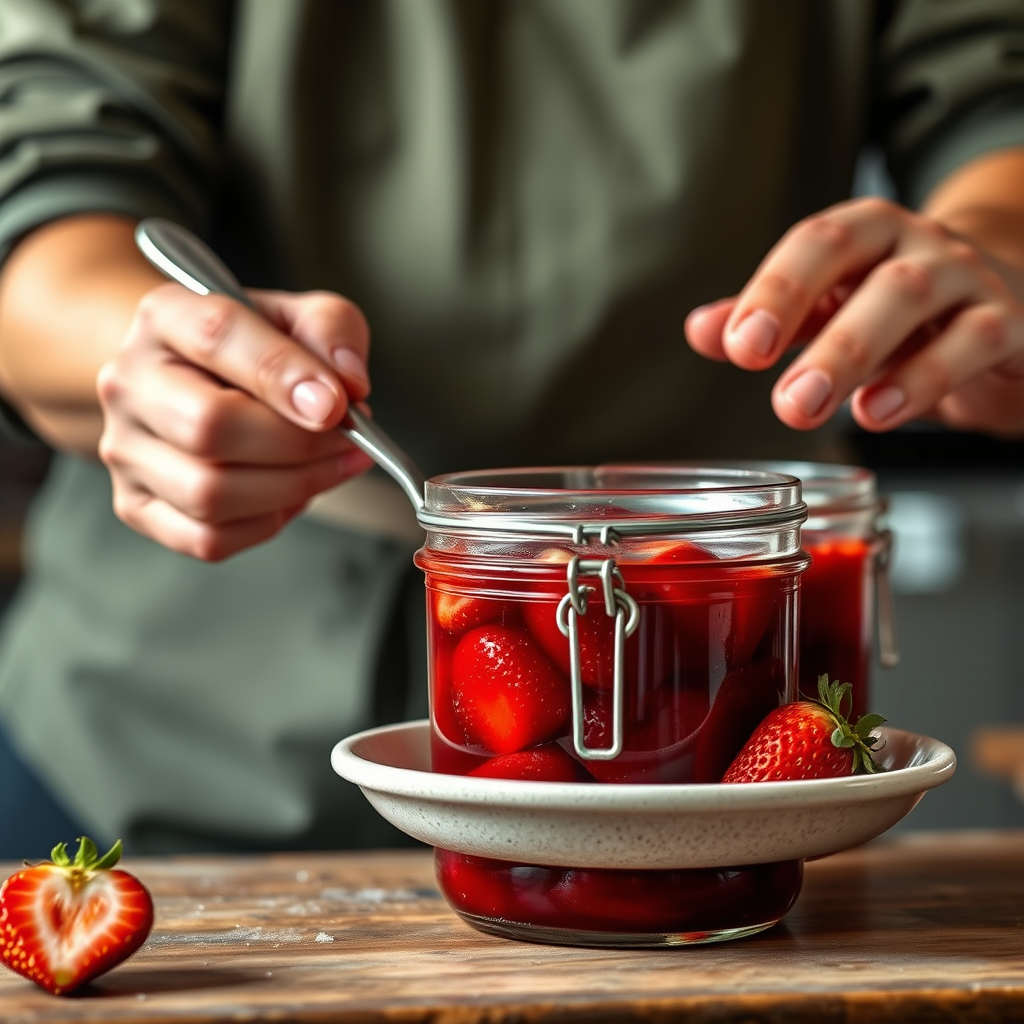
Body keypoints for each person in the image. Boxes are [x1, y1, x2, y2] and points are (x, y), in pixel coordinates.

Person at [0, 0, 1022, 858]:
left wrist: (987, 270)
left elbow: (994, 109)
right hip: (159, 730)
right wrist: (150, 354)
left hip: (722, 720)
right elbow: (50, 185)